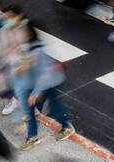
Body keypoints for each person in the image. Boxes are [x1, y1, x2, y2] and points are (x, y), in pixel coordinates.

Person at [12, 23, 75, 151]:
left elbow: (44, 74)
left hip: (51, 82)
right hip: (43, 82)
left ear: (29, 34)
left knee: (55, 108)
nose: (20, 36)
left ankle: (66, 127)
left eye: (22, 33)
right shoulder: (30, 47)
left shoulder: (37, 50)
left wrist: (35, 92)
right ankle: (32, 135)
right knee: (32, 109)